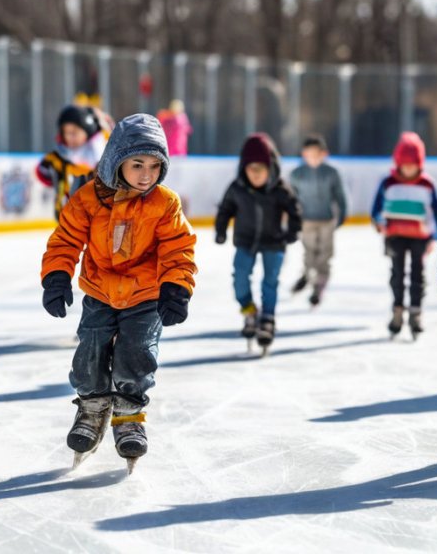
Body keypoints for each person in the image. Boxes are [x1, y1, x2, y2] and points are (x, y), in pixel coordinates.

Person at [40, 113, 197, 472]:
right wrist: (57, 276)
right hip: (99, 291)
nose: (146, 174)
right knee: (90, 351)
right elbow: (64, 240)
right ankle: (93, 407)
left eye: (156, 166)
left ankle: (128, 415)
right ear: (116, 162)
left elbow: (179, 248)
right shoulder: (87, 199)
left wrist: (177, 285)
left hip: (146, 295)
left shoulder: (165, 204)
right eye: (137, 164)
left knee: (137, 353)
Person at [215, 133, 303, 352]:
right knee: (240, 278)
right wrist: (221, 230)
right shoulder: (237, 188)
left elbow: (295, 211)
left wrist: (292, 232)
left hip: (274, 241)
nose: (255, 174)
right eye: (250, 169)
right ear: (243, 168)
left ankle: (267, 319)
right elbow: (225, 209)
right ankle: (249, 310)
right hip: (245, 241)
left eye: (260, 169)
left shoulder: (281, 189)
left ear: (270, 167)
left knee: (270, 282)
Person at [370, 132, 437, 339]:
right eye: (405, 164)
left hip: (420, 237)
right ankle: (397, 311)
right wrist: (379, 223)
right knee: (397, 274)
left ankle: (415, 313)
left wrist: (436, 234)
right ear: (398, 162)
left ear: (420, 163)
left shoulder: (427, 184)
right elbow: (376, 210)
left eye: (413, 163)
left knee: (417, 275)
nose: (408, 168)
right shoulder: (388, 183)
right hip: (395, 236)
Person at [288, 134, 348, 306]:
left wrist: (342, 213)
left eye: (316, 154)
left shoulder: (331, 173)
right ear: (303, 154)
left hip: (327, 220)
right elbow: (291, 198)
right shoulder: (297, 174)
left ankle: (319, 283)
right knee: (309, 251)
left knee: (325, 253)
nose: (312, 158)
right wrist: (292, 217)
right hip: (306, 220)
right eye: (309, 154)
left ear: (324, 154)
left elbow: (339, 195)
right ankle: (307, 275)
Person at [36, 105, 107, 220]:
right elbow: (41, 173)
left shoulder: (97, 149)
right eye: (66, 133)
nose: (69, 137)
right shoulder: (58, 157)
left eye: (74, 132)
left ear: (87, 132)